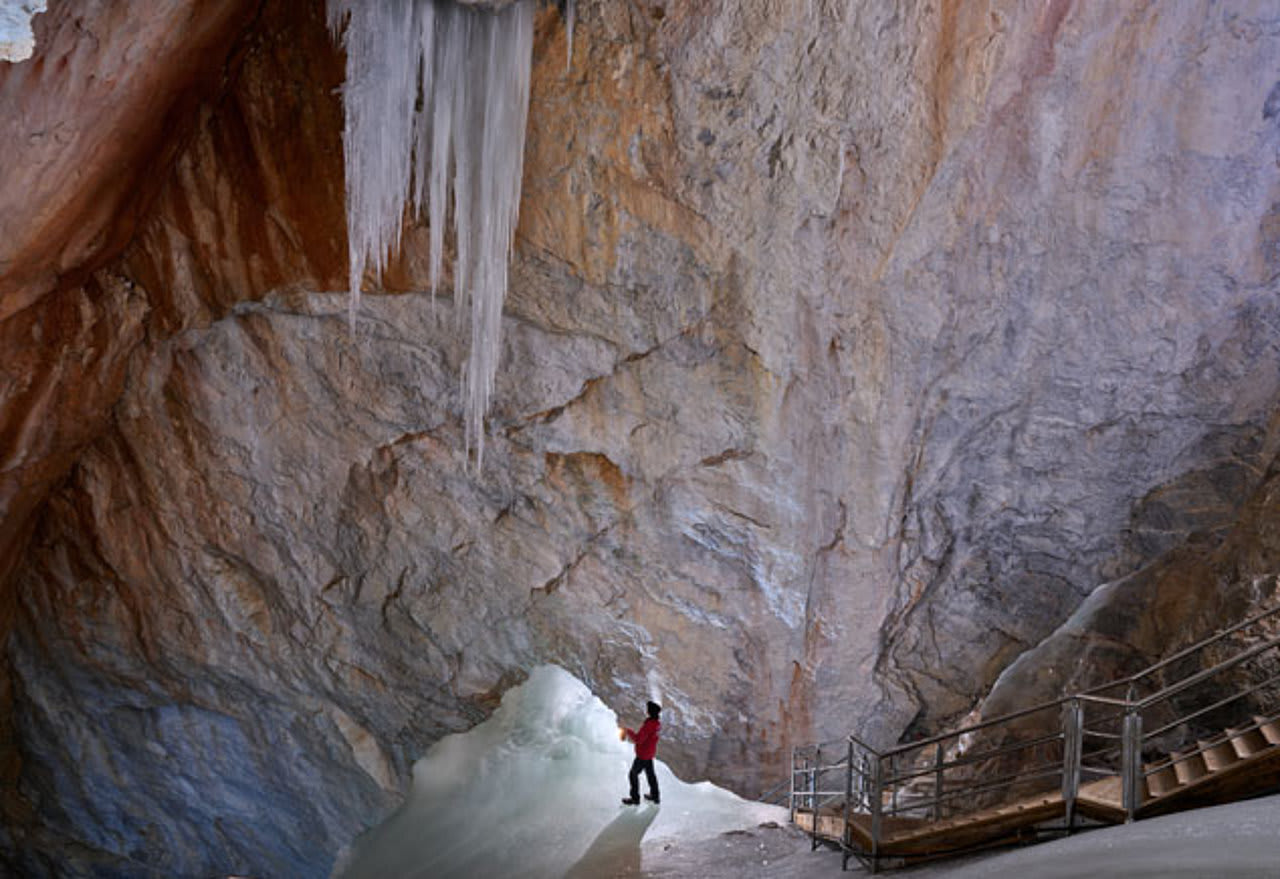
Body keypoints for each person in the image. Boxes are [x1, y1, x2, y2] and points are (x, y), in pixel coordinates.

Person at [621, 701, 662, 805]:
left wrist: (628, 731)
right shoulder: (657, 724)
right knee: (651, 775)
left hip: (643, 755)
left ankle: (635, 798)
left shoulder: (649, 725)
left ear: (649, 712)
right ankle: (655, 796)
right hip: (650, 753)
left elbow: (638, 739)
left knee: (633, 774)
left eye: (647, 708)